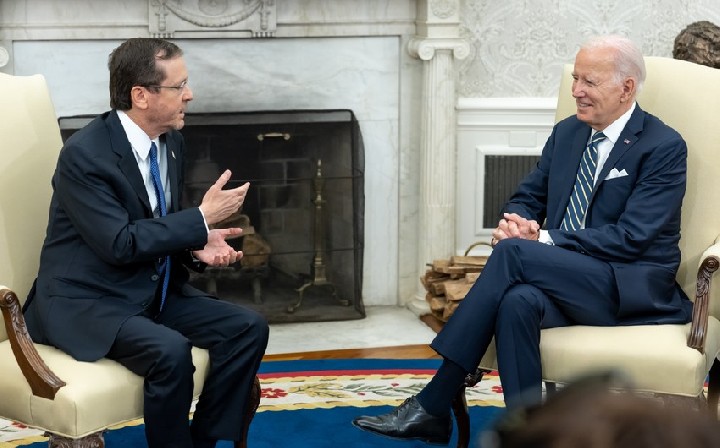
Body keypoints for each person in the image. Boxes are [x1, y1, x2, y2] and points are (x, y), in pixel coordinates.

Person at [353, 35, 693, 445]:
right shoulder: (568, 133)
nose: (576, 91)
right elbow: (528, 196)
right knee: (518, 302)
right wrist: (518, 223)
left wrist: (541, 238)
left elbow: (632, 237)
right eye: (575, 78)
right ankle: (529, 434)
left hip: (627, 285)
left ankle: (435, 399)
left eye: (589, 82)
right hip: (569, 279)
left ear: (626, 88)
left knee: (516, 254)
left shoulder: (663, 146)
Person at [22, 38, 269, 448]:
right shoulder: (85, 156)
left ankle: (205, 441)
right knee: (170, 350)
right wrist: (200, 219)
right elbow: (119, 243)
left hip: (148, 289)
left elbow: (157, 224)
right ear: (141, 95)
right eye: (179, 86)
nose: (189, 94)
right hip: (88, 301)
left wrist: (196, 242)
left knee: (247, 328)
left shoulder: (171, 141)